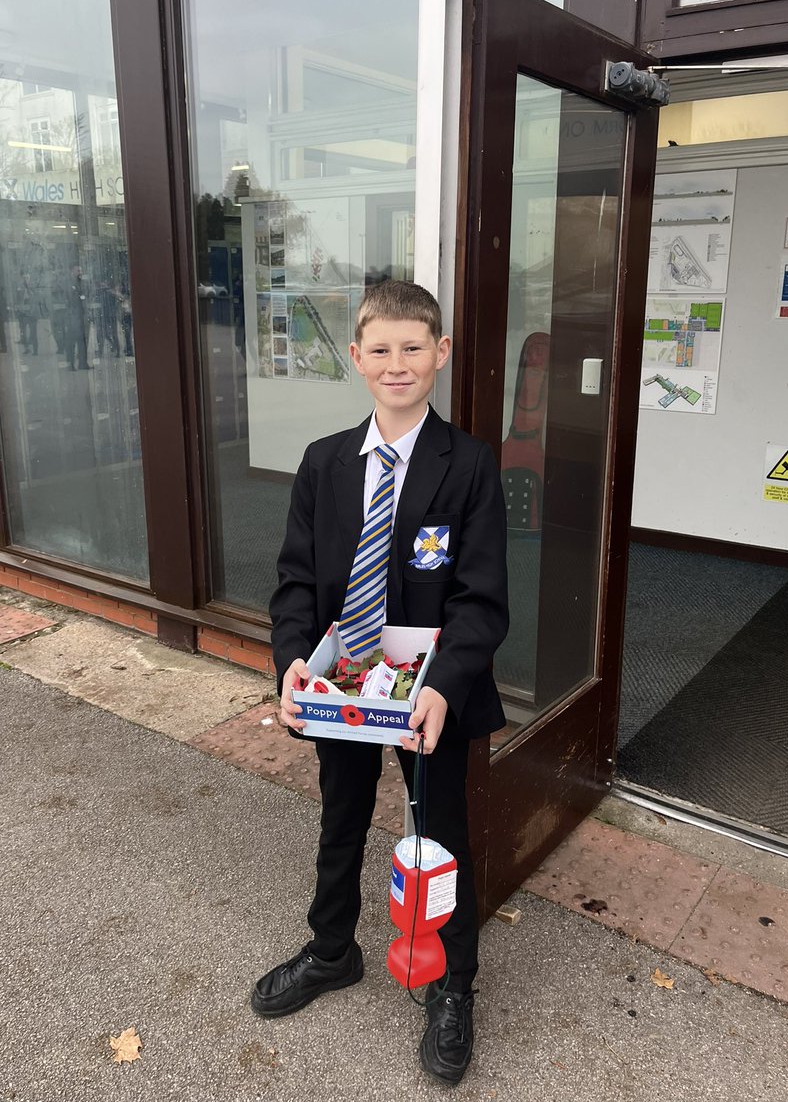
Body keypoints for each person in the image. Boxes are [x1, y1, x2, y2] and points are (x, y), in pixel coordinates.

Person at [252, 280, 509, 1086]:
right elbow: (298, 583)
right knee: (341, 819)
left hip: (428, 697)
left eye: (413, 348)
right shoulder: (324, 463)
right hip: (346, 688)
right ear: (357, 359)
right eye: (380, 349)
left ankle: (451, 983)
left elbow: (480, 598)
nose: (396, 364)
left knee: (439, 838)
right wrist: (293, 659)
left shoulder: (466, 465)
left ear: (439, 355)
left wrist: (444, 685)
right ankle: (333, 950)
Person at [64, 265, 90, 370]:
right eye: (78, 270)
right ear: (72, 271)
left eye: (81, 270)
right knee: (72, 341)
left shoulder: (82, 283)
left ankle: (83, 363)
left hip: (82, 315)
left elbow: (85, 296)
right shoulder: (68, 283)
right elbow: (71, 299)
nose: (80, 272)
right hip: (72, 316)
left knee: (83, 340)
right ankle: (70, 364)